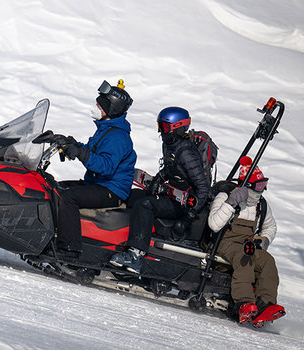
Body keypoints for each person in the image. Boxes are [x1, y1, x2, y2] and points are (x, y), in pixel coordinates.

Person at [109, 106, 210, 273]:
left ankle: (136, 256)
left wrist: (189, 216)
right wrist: (159, 178)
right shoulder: (171, 145)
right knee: (131, 195)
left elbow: (203, 187)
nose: (161, 132)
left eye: (163, 127)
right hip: (170, 192)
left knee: (145, 204)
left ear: (177, 127)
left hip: (183, 203)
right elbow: (173, 167)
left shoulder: (186, 152)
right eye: (159, 126)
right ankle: (111, 236)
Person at [53, 80, 137, 256]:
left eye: (99, 105)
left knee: (69, 198)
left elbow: (106, 166)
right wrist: (71, 144)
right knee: (55, 187)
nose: (95, 108)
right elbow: (94, 150)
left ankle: (70, 249)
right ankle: (54, 235)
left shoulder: (118, 137)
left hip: (111, 191)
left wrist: (79, 153)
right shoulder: (107, 128)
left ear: (110, 109)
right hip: (98, 184)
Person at [207, 156, 285, 327]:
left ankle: (265, 305)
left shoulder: (261, 205)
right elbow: (214, 224)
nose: (261, 191)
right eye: (258, 186)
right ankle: (244, 303)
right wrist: (231, 202)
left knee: (267, 261)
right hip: (222, 243)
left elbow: (270, 227)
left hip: (246, 245)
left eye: (264, 185)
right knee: (245, 257)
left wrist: (263, 241)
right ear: (247, 186)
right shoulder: (225, 196)